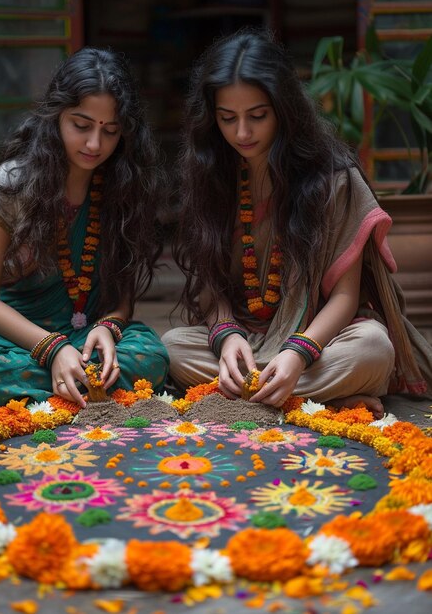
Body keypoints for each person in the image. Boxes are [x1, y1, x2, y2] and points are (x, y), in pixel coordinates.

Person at [162, 28, 432, 417]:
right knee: (172, 347)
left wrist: (297, 353)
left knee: (374, 348)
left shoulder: (334, 180)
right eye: (227, 118)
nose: (242, 132)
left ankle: (270, 389)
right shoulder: (212, 176)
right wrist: (226, 335)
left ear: (284, 109)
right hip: (248, 340)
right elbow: (211, 285)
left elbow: (344, 297)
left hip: (321, 342)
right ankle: (322, 400)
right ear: (212, 118)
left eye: (257, 116)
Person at [0, 47, 169, 409]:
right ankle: (87, 389)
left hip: (87, 334)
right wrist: (52, 348)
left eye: (110, 131)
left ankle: (55, 391)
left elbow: (121, 296)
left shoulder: (126, 185)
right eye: (81, 125)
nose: (94, 143)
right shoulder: (11, 184)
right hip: (13, 337)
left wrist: (109, 327)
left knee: (151, 356)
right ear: (56, 115)